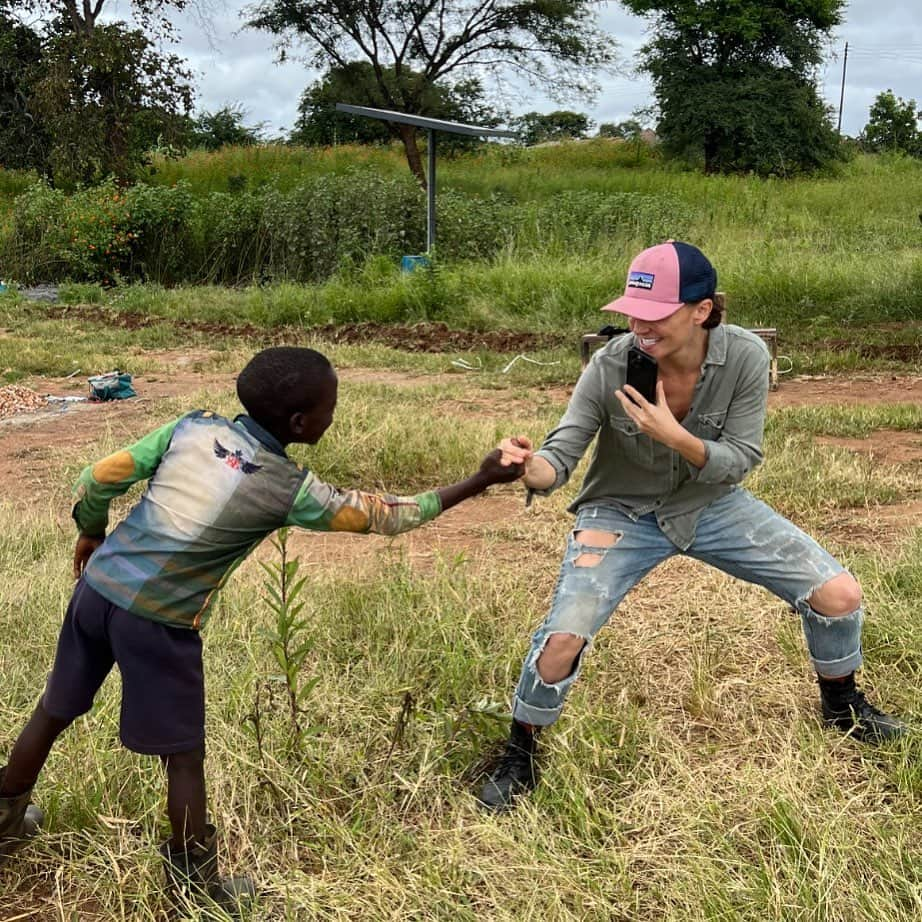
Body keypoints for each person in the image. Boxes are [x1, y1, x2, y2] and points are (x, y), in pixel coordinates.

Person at [0, 346, 522, 914]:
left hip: (96, 591)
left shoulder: (191, 428)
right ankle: (195, 882)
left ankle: (4, 819)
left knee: (56, 706)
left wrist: (91, 531)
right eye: (330, 408)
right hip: (159, 621)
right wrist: (481, 479)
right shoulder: (288, 487)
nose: (333, 416)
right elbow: (387, 514)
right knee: (184, 756)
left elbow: (96, 477)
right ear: (299, 424)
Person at [478, 240, 905, 812]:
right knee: (562, 638)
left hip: (709, 502)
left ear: (701, 310)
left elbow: (742, 457)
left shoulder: (747, 356)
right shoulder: (610, 366)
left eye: (655, 315)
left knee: (838, 593)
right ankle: (520, 752)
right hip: (620, 513)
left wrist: (673, 436)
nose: (639, 325)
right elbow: (560, 458)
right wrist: (526, 466)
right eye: (632, 312)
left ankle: (843, 706)